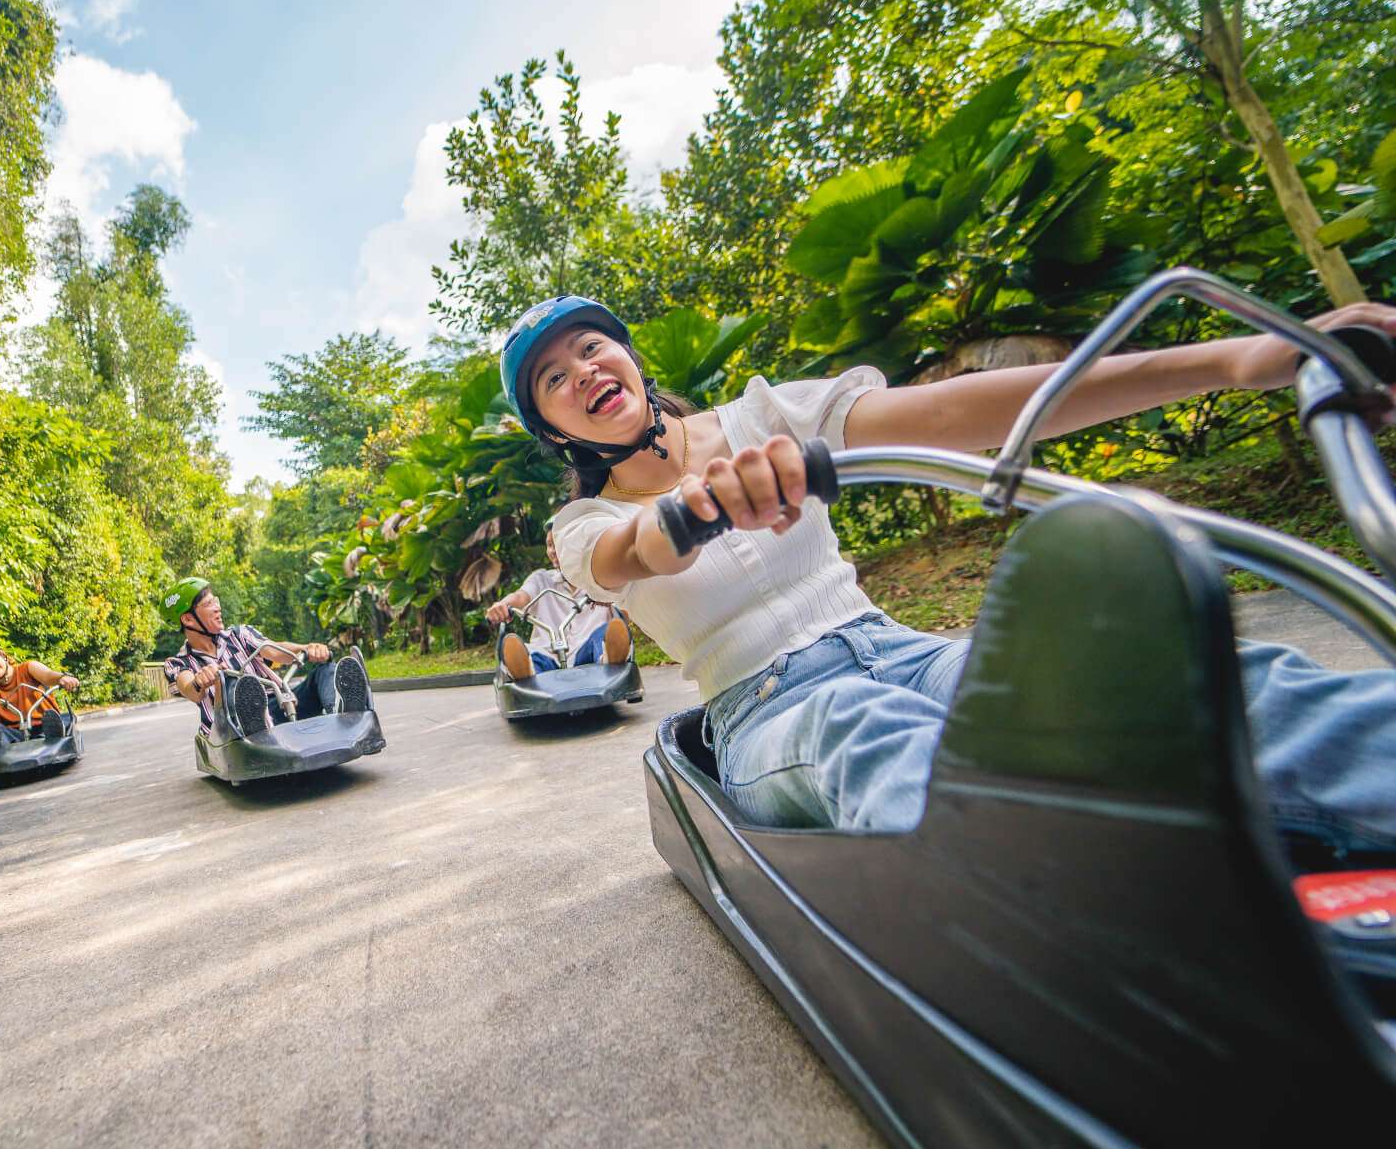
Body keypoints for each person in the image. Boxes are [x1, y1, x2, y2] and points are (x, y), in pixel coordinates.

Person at [501, 292, 1396, 843]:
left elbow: (958, 413)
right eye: (553, 379)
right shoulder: (583, 522)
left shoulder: (770, 413)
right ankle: (1075, 918)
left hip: (903, 651)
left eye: (590, 348)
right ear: (555, 430)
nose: (581, 372)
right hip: (770, 714)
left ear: (629, 357)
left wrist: (1244, 359)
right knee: (863, 723)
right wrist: (688, 513)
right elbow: (630, 555)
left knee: (1159, 680)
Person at [160, 576, 371, 738]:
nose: (218, 607)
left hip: (278, 704)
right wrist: (201, 680)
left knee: (326, 671)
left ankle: (345, 715)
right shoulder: (179, 663)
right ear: (188, 619)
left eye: (216, 600)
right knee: (233, 684)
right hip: (234, 724)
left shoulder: (239, 635)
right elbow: (189, 688)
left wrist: (307, 648)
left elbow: (275, 650)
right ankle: (256, 728)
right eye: (208, 604)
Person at [485, 523, 631, 679]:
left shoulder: (600, 580)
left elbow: (624, 612)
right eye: (549, 545)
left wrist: (617, 609)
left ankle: (611, 660)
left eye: (558, 544)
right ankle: (527, 673)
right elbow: (520, 596)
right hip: (548, 656)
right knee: (530, 652)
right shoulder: (541, 579)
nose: (552, 551)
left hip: (588, 654)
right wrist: (503, 605)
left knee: (605, 633)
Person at [0, 642, 79, 751]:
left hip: (44, 724)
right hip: (14, 735)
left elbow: (47, 675)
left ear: (1, 654)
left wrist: (61, 678)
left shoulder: (28, 668)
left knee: (65, 718)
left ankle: (52, 737)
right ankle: (0, 749)